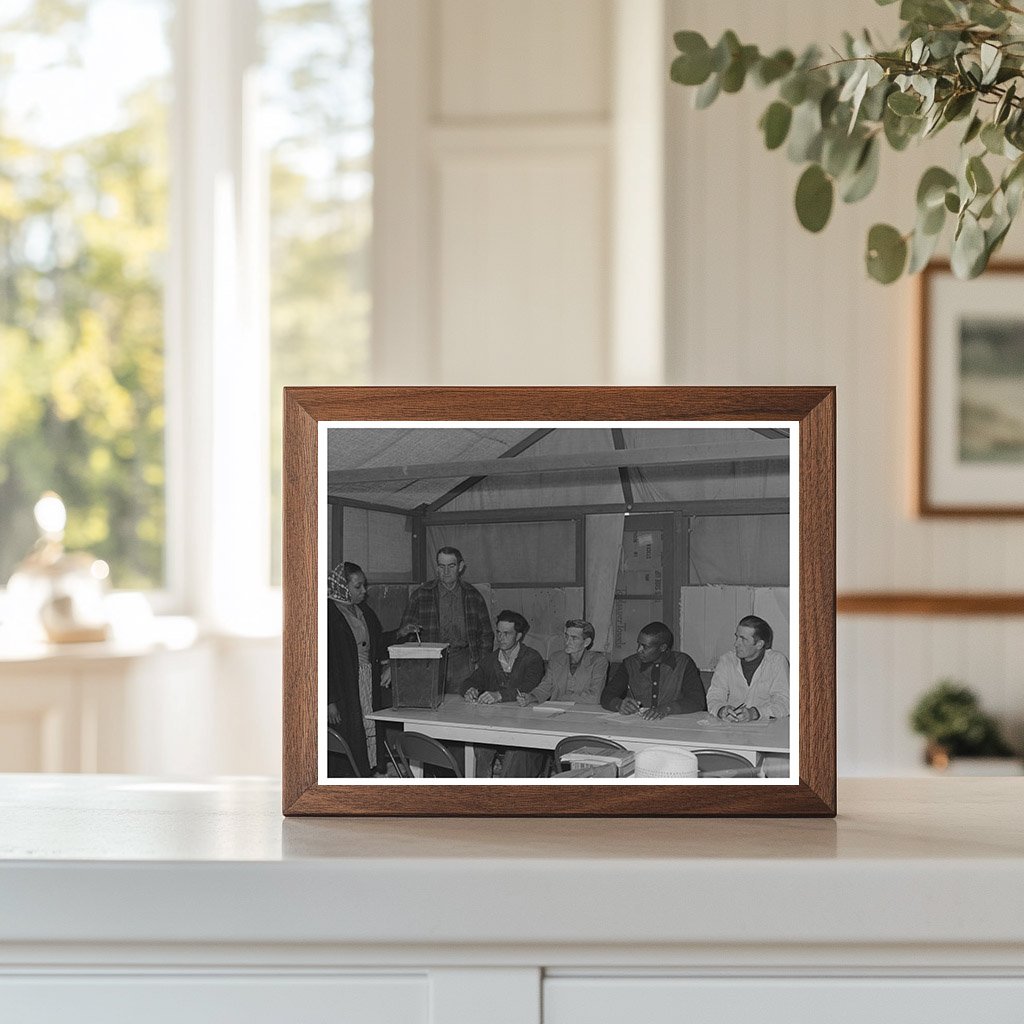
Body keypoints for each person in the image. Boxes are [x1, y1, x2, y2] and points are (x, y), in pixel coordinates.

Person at [326, 561, 415, 776]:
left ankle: (365, 773)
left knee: (368, 728)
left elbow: (376, 642)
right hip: (344, 687)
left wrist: (399, 634)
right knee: (349, 734)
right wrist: (330, 701)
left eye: (364, 585)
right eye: (358, 587)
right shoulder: (328, 614)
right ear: (342, 586)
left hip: (365, 681)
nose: (364, 591)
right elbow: (324, 661)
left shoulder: (363, 611)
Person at [461, 609, 544, 777]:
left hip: (523, 727)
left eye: (507, 634)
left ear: (519, 636)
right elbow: (470, 681)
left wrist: (499, 695)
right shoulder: (491, 659)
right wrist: (468, 690)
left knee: (515, 753)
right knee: (480, 747)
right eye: (498, 633)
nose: (500, 638)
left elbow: (530, 686)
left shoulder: (532, 658)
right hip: (494, 725)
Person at [400, 546, 494, 693]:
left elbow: (486, 634)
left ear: (461, 567)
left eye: (451, 566)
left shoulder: (473, 595)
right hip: (430, 662)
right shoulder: (420, 595)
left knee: (463, 709)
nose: (446, 571)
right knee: (431, 707)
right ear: (437, 567)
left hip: (464, 662)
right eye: (442, 566)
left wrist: (480, 663)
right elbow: (404, 634)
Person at [600, 621, 705, 719]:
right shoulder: (630, 663)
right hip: (637, 726)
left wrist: (666, 709)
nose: (638, 650)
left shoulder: (683, 663)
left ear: (662, 647)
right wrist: (619, 705)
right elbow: (607, 695)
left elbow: (697, 701)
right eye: (638, 644)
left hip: (674, 726)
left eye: (645, 646)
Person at [706, 615, 789, 722]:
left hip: (766, 730)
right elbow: (714, 695)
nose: (736, 644)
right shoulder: (726, 660)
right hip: (731, 729)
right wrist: (721, 710)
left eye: (743, 639)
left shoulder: (777, 661)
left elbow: (784, 703)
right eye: (736, 637)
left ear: (759, 644)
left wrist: (755, 713)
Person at [517, 619, 608, 706]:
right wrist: (531, 697)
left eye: (574, 638)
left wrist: (562, 698)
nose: (567, 642)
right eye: (566, 636)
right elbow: (546, 687)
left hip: (585, 714)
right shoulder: (556, 658)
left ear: (586, 642)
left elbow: (595, 697)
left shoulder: (598, 661)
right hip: (557, 712)